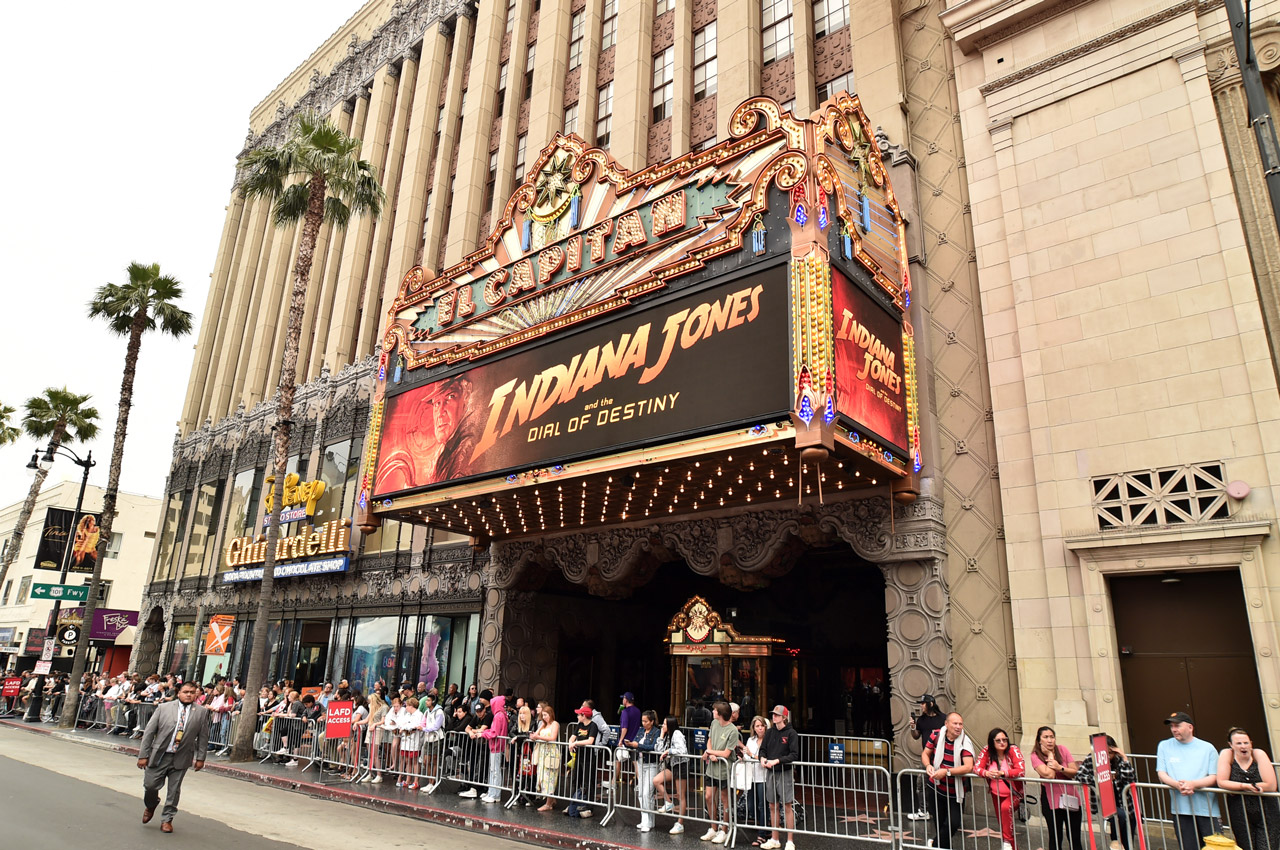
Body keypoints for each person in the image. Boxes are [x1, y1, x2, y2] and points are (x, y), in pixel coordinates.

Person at [137, 681, 211, 833]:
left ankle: (167, 819)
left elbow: (203, 737)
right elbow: (149, 732)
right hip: (159, 755)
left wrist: (201, 758)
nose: (189, 694)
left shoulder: (201, 712)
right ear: (179, 693)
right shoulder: (164, 708)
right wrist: (143, 755)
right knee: (150, 786)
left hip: (182, 756)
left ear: (196, 694)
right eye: (186, 692)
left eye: (192, 692)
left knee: (174, 789)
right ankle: (151, 804)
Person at [1157, 711, 1221, 850]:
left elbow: (1214, 776)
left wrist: (1193, 784)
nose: (1174, 729)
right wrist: (1178, 785)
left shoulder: (1207, 748)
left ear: (1190, 727)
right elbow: (1161, 773)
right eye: (1172, 726)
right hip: (1180, 809)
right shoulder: (1164, 746)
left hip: (1207, 810)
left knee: (1214, 847)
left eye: (1178, 725)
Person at [1217, 727, 1280, 850]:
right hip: (1240, 812)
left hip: (1266, 811)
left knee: (1266, 846)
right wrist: (1245, 786)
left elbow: (1271, 785)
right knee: (1246, 846)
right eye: (1238, 743)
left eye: (1246, 743)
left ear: (1251, 743)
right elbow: (1222, 782)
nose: (1243, 746)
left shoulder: (1258, 754)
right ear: (1231, 745)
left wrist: (1238, 787)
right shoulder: (1226, 754)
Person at [921, 711, 976, 850]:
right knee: (939, 823)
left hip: (955, 792)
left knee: (953, 823)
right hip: (935, 787)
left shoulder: (965, 742)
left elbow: (969, 766)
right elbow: (925, 753)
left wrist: (947, 772)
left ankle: (935, 844)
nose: (958, 727)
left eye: (960, 724)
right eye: (955, 723)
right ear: (946, 724)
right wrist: (928, 765)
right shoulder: (936, 735)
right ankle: (943, 847)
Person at [1077, 734, 1138, 850]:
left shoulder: (1118, 759)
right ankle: (1116, 841)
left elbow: (1131, 778)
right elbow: (1080, 776)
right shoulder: (1092, 759)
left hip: (1123, 801)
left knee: (1131, 821)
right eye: (1107, 753)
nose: (1109, 756)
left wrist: (1124, 758)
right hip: (1104, 802)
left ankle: (1125, 846)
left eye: (1111, 753)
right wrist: (1098, 779)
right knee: (1119, 816)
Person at [1030, 725, 1083, 850]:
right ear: (1039, 740)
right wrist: (1050, 755)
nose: (1050, 740)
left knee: (1075, 837)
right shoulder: (1035, 756)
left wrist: (1060, 768)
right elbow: (1049, 775)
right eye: (1046, 737)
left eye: (1052, 737)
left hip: (1071, 797)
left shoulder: (1063, 749)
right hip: (1051, 800)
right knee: (1056, 837)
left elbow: (1075, 771)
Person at [976, 727, 1025, 850]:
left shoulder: (1013, 750)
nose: (1002, 742)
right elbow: (976, 768)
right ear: (992, 742)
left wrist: (1003, 773)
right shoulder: (987, 750)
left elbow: (1021, 771)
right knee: (1004, 825)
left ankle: (1007, 843)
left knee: (1005, 809)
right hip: (995, 793)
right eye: (998, 740)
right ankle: (1011, 846)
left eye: (1005, 739)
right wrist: (986, 773)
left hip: (1013, 793)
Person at [760, 704, 800, 850]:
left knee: (787, 805)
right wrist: (762, 759)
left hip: (784, 771)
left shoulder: (791, 733)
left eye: (777, 715)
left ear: (784, 717)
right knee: (772, 805)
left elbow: (794, 754)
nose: (774, 716)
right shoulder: (770, 732)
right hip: (771, 771)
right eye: (773, 714)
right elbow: (762, 749)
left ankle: (790, 841)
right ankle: (775, 838)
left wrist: (777, 760)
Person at [702, 700, 738, 844]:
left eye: (715, 710)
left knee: (725, 801)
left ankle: (724, 829)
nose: (713, 712)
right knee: (709, 796)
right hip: (712, 768)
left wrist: (710, 752)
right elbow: (709, 740)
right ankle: (713, 827)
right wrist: (710, 752)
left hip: (724, 770)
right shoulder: (714, 723)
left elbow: (726, 753)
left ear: (721, 713)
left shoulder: (733, 730)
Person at [908, 695, 948, 821]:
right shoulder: (921, 720)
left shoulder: (943, 718)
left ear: (930, 704)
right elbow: (916, 736)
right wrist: (912, 727)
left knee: (943, 784)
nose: (921, 706)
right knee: (921, 784)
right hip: (927, 756)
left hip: (942, 756)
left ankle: (946, 812)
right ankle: (923, 810)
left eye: (923, 703)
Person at [738, 715, 771, 846]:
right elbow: (747, 755)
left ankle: (762, 834)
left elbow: (766, 757)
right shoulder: (751, 740)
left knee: (763, 805)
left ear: (765, 727)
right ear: (753, 728)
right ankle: (764, 827)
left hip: (763, 777)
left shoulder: (769, 741)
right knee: (751, 805)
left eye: (762, 726)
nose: (760, 728)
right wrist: (743, 757)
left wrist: (752, 755)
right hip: (751, 776)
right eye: (757, 726)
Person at [627, 709, 663, 832]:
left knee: (648, 793)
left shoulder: (656, 732)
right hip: (641, 763)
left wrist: (638, 746)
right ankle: (645, 819)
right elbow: (636, 742)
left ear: (652, 721)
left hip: (651, 764)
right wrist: (629, 744)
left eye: (646, 721)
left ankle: (648, 820)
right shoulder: (641, 730)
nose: (643, 723)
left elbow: (652, 747)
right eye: (642, 721)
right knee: (641, 793)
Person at [655, 715, 691, 834]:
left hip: (681, 765)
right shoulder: (667, 735)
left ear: (670, 724)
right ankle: (669, 802)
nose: (663, 726)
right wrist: (661, 735)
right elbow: (658, 749)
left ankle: (680, 823)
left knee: (681, 795)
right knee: (656, 781)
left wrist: (668, 751)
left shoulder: (677, 734)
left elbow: (682, 750)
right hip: (672, 765)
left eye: (664, 724)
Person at [566, 705, 600, 818]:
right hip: (579, 756)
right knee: (575, 780)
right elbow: (572, 737)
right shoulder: (579, 725)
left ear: (584, 715)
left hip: (589, 758)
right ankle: (573, 804)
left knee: (588, 782)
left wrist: (576, 743)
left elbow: (590, 741)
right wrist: (571, 743)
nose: (577, 716)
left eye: (579, 714)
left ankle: (588, 806)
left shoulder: (593, 726)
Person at [475, 693, 508, 803]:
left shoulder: (498, 716)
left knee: (494, 771)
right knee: (493, 770)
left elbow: (494, 733)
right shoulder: (501, 715)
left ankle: (494, 794)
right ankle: (492, 792)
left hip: (496, 746)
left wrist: (483, 734)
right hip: (496, 745)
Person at [532, 702, 562, 812]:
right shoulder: (543, 725)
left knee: (550, 778)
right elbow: (535, 735)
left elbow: (553, 737)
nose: (544, 717)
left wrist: (538, 737)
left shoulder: (555, 724)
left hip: (551, 753)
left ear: (551, 714)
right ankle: (551, 800)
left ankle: (548, 804)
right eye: (543, 715)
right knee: (543, 778)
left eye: (546, 715)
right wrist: (534, 736)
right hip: (542, 753)